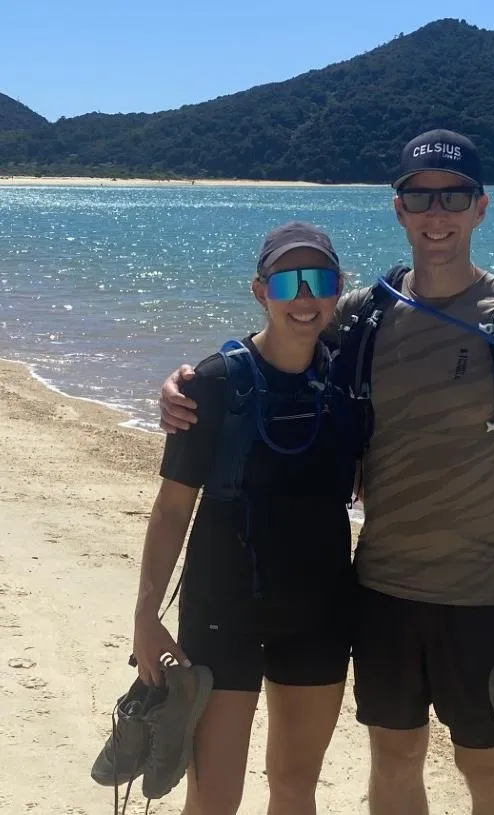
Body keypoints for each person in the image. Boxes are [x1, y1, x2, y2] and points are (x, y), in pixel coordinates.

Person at [159, 130, 494, 815]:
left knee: (491, 773)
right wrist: (186, 385)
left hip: (486, 594)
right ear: (398, 208)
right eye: (420, 196)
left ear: (480, 207)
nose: (436, 213)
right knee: (393, 762)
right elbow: (280, 344)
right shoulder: (365, 315)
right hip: (381, 592)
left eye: (453, 197)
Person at [134, 222, 357, 815]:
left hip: (319, 613)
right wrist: (145, 616)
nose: (304, 297)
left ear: (339, 289)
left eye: (320, 281)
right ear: (260, 291)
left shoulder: (349, 382)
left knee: (295, 787)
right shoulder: (211, 385)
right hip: (222, 611)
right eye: (287, 282)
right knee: (213, 797)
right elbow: (171, 509)